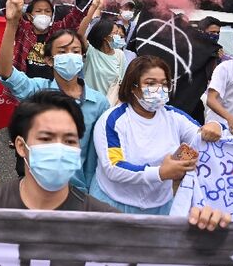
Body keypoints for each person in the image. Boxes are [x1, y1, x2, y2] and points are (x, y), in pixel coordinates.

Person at [0, 91, 232, 229]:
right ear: (22, 147)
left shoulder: (107, 223)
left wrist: (200, 235)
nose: (60, 149)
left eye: (70, 140)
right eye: (47, 139)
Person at [0, 0, 109, 189]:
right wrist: (12, 22)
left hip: (79, 193)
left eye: (75, 51)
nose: (70, 56)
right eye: (62, 52)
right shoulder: (39, 91)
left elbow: (98, 158)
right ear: (49, 59)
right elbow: (6, 72)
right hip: (38, 190)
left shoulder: (99, 103)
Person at [91, 56, 223, 214]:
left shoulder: (173, 117)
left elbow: (202, 136)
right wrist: (160, 173)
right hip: (114, 204)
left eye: (164, 84)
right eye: (150, 83)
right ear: (133, 87)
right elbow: (113, 166)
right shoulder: (112, 120)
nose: (159, 89)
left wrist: (216, 125)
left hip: (160, 206)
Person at [14, 0, 95, 80]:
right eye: (38, 11)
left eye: (47, 11)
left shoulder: (58, 31)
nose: (43, 14)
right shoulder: (24, 30)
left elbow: (76, 15)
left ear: (52, 16)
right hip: (25, 86)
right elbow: (13, 16)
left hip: (53, 86)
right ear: (29, 16)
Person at [81, 18, 128, 98]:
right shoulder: (91, 52)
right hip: (91, 101)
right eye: (115, 33)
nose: (119, 36)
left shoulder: (120, 55)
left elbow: (123, 81)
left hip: (111, 103)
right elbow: (80, 34)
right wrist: (93, 7)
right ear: (105, 36)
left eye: (120, 34)